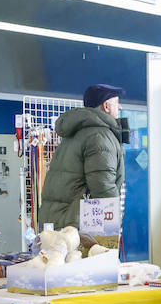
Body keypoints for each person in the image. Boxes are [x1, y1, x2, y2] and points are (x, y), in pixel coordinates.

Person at [38, 84, 126, 230]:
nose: (120, 107)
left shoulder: (74, 134)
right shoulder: (100, 137)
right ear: (106, 106)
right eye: (117, 102)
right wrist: (114, 225)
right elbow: (103, 188)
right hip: (77, 226)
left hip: (58, 221)